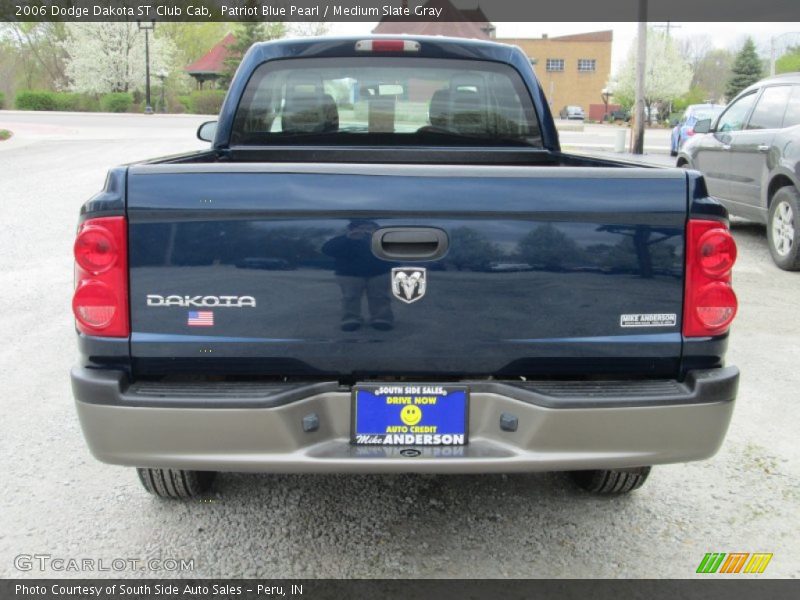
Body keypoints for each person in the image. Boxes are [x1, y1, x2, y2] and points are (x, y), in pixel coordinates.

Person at [322, 220, 394, 331]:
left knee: (380, 297)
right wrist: (348, 239)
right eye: (361, 228)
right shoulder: (343, 239)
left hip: (380, 273)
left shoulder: (382, 239)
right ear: (352, 229)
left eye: (369, 228)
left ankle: (381, 319)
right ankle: (350, 319)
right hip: (349, 274)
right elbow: (327, 250)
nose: (365, 231)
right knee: (350, 297)